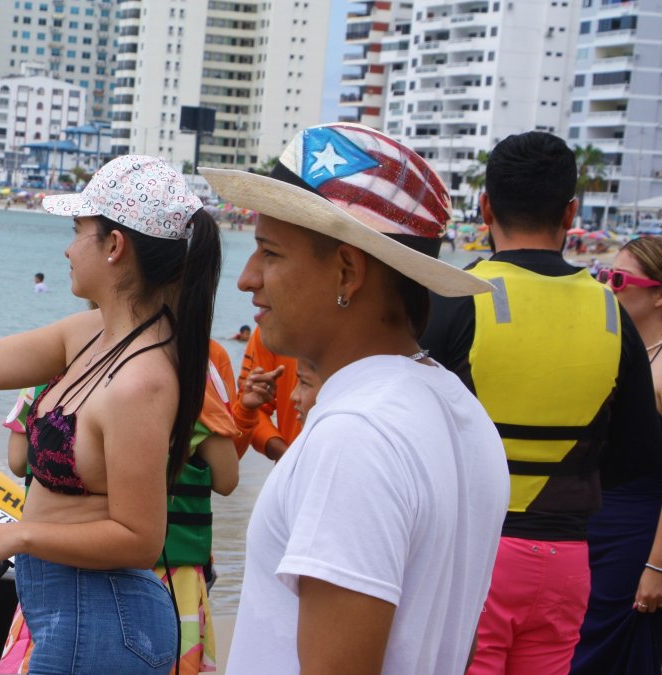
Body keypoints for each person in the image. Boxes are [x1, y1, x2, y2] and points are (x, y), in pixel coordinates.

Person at [203, 122, 509, 674]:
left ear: (347, 271)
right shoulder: (460, 411)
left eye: (269, 253)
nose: (248, 278)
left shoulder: (356, 435)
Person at [0, 154, 221, 674]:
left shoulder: (142, 379)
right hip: (61, 611)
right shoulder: (91, 333)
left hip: (104, 621)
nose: (67, 247)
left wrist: (17, 534)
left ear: (115, 246)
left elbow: (141, 539)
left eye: (79, 231)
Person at [418, 132, 662, 675]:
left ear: (484, 206)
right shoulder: (611, 313)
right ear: (571, 211)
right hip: (569, 562)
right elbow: (639, 455)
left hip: (475, 557)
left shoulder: (455, 298)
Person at [0, 340, 240, 675]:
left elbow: (18, 462)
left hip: (60, 568)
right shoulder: (189, 370)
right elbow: (226, 478)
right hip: (168, 578)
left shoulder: (50, 365)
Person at [571, 236, 662, 673]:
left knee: (607, 649)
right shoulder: (616, 350)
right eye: (605, 275)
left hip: (637, 534)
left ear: (659, 294)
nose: (608, 286)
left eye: (620, 279)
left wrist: (656, 565)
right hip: (591, 522)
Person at [230, 327, 300, 461]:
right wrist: (288, 457)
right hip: (292, 472)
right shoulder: (268, 329)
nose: (295, 396)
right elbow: (251, 410)